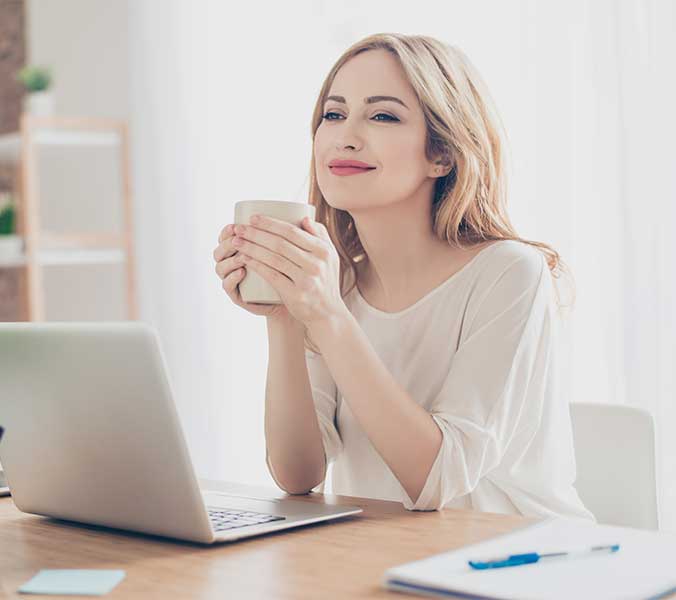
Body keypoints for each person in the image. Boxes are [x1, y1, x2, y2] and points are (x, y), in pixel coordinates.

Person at [212, 33, 594, 520]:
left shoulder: (510, 273)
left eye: (382, 115)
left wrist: (325, 314)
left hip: (521, 566)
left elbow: (437, 479)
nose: (345, 135)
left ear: (443, 155)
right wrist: (285, 314)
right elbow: (297, 473)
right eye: (333, 114)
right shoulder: (338, 285)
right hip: (388, 560)